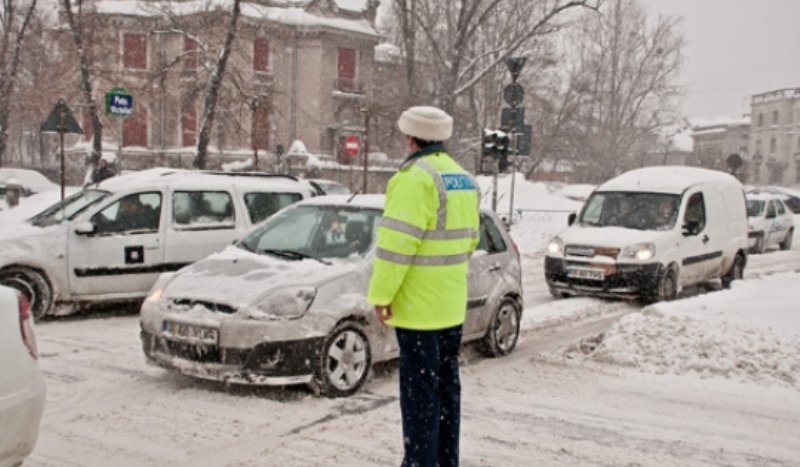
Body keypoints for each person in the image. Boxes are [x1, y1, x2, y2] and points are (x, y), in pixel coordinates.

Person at [367, 106, 480, 467]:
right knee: (447, 390)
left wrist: (382, 296)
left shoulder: (414, 179)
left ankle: (419, 462)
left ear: (410, 138)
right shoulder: (463, 179)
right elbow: (471, 241)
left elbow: (396, 247)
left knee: (419, 395)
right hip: (450, 307)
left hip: (418, 312)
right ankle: (446, 460)